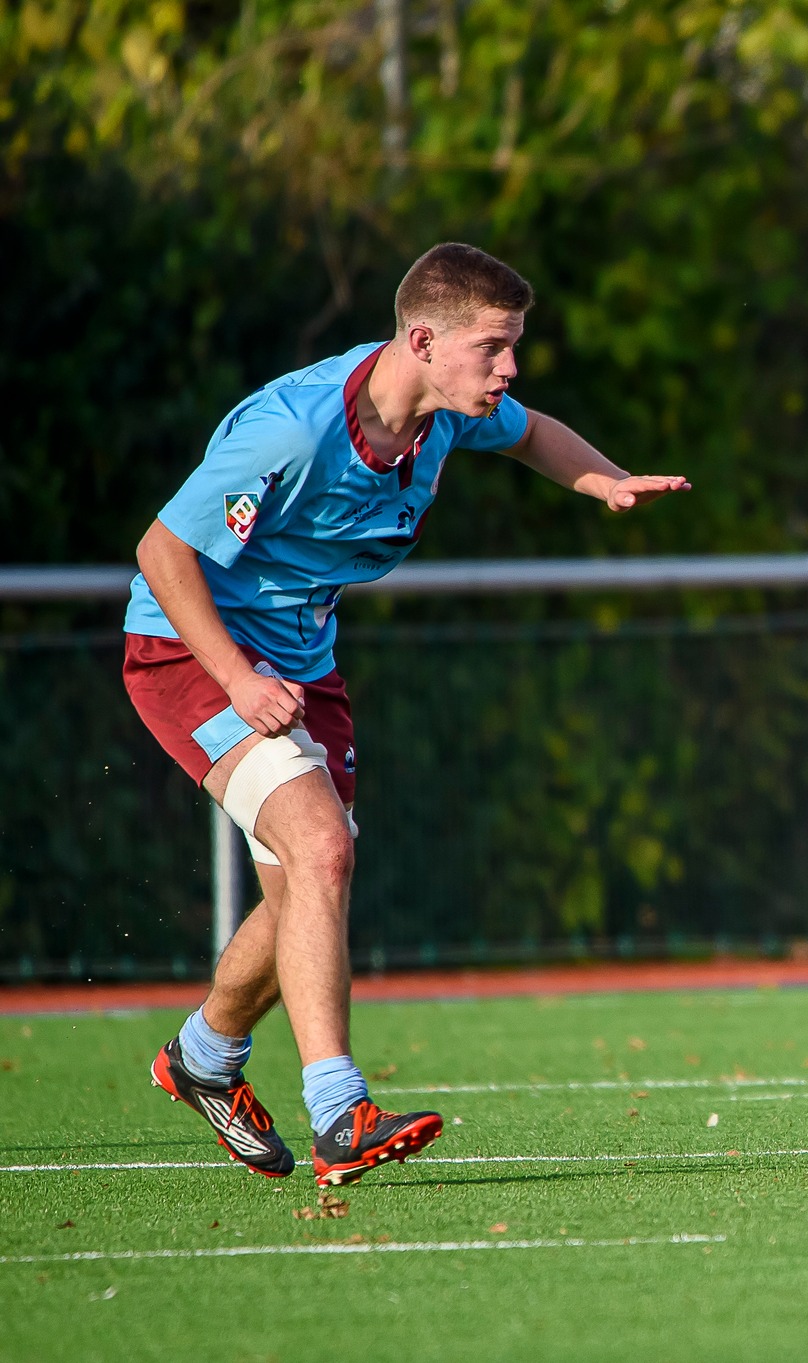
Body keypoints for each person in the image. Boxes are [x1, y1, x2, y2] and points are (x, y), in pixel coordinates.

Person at [124, 243, 691, 1185]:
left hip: (302, 663)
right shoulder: (296, 431)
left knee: (307, 883)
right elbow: (162, 553)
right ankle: (341, 1112)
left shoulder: (441, 413)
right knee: (323, 851)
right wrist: (234, 679)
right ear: (423, 339)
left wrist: (603, 480)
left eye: (514, 346)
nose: (508, 369)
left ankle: (204, 1056)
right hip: (191, 649)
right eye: (493, 348)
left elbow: (533, 430)